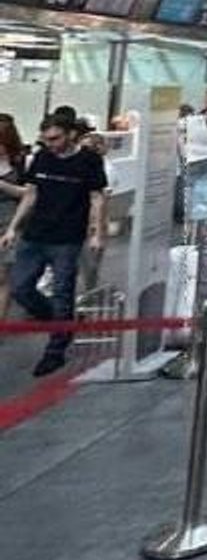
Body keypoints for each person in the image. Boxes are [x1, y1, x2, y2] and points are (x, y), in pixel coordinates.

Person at [1, 115, 107, 377]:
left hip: (67, 238)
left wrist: (97, 233)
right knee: (20, 288)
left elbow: (97, 198)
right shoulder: (42, 157)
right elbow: (31, 194)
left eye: (55, 138)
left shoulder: (89, 161)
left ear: (71, 134)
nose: (50, 144)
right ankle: (62, 321)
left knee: (62, 293)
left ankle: (55, 350)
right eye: (46, 139)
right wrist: (13, 227)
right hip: (35, 234)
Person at [0, 113, 26, 323]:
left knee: (4, 277)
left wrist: (2, 185)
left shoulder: (20, 161)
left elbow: (29, 193)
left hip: (10, 221)